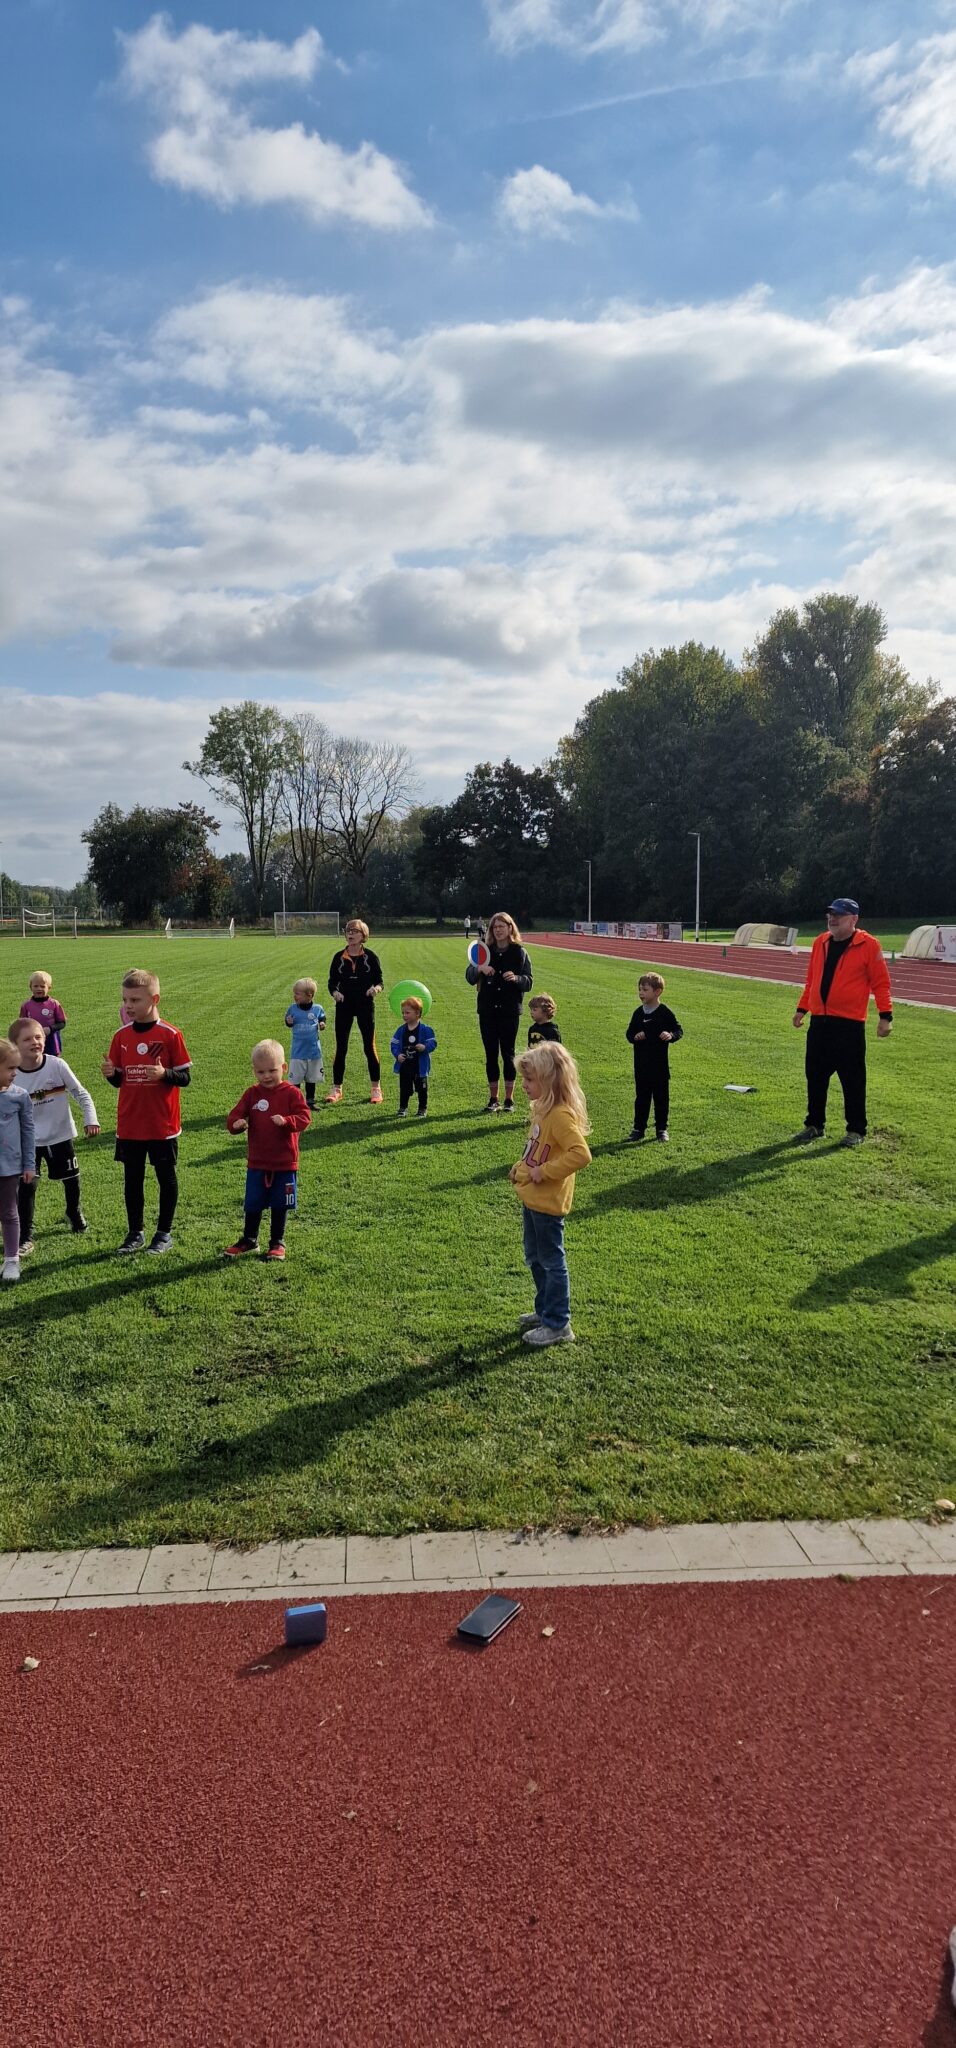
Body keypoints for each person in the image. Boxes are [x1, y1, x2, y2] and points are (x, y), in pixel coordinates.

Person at [101, 969, 191, 1256]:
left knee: (166, 1176)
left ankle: (163, 1233)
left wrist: (165, 1074)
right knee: (132, 1179)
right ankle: (135, 1232)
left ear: (154, 999)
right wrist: (111, 1073)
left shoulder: (170, 1035)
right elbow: (119, 1080)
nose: (128, 1005)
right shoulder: (121, 1036)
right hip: (130, 1123)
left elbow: (185, 1078)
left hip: (161, 1124)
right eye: (125, 999)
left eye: (135, 1000)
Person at [509, 1042, 591, 1347]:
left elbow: (580, 1154)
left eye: (530, 1080)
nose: (524, 1086)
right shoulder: (542, 1110)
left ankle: (558, 1323)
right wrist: (520, 1167)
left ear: (550, 1081)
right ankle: (545, 1311)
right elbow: (535, 1152)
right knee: (536, 1257)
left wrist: (545, 1173)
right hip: (532, 1200)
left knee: (551, 1261)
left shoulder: (560, 1116)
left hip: (548, 1203)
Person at [792, 898, 892, 1148]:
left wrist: (885, 1016)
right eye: (830, 914)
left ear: (854, 919)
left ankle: (856, 1129)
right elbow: (811, 980)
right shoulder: (820, 942)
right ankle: (814, 1125)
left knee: (853, 1080)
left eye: (839, 914)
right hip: (820, 1024)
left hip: (848, 1026)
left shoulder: (869, 945)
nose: (832, 918)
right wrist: (802, 1008)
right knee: (815, 1077)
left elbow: (881, 983)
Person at [7, 1016, 98, 1250]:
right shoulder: (11, 1075)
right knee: (27, 1186)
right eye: (27, 1039)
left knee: (71, 1180)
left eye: (38, 1037)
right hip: (27, 1142)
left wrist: (91, 1119)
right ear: (15, 1045)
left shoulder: (57, 1065)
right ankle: (25, 1235)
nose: (35, 1042)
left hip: (60, 1135)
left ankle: (73, 1212)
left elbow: (81, 1093)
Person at [224, 1040, 311, 1262]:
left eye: (272, 1070)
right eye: (261, 1072)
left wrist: (287, 1121)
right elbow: (235, 1115)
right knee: (253, 1202)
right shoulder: (252, 1094)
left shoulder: (292, 1094)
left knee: (280, 1203)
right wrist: (236, 1124)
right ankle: (249, 1239)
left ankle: (277, 1242)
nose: (266, 1076)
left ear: (283, 1068)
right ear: (254, 1071)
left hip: (284, 1161)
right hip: (258, 1161)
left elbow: (304, 1118)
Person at [465, 910, 533, 1111]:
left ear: (510, 928)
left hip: (509, 1010)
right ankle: (493, 1099)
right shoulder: (484, 950)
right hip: (487, 1009)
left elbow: (529, 981)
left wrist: (517, 978)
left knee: (509, 1054)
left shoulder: (519, 952)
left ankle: (509, 1099)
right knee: (490, 1054)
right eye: (495, 927)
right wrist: (480, 969)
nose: (498, 930)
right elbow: (469, 976)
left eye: (502, 926)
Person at [326, 920, 384, 1104]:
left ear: (363, 935)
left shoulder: (371, 957)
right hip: (344, 1006)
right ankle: (336, 1089)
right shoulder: (338, 957)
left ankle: (376, 1088)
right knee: (341, 1047)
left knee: (369, 1047)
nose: (350, 934)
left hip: (365, 1005)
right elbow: (331, 982)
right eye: (348, 930)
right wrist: (335, 993)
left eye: (355, 931)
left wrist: (375, 990)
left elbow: (380, 982)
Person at [626, 972, 683, 1143]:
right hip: (642, 1066)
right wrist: (635, 1036)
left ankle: (661, 1129)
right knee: (642, 1098)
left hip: (659, 1066)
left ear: (657, 992)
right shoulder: (638, 1013)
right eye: (639, 989)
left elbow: (678, 1030)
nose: (641, 993)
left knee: (661, 1098)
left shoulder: (664, 1013)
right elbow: (629, 1034)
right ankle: (638, 1129)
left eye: (645, 989)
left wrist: (670, 1035)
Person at [0, 1035, 35, 1285]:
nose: (15, 1073)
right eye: (10, 1068)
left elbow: (28, 1131)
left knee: (9, 1212)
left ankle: (12, 1259)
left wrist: (29, 1164)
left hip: (9, 1166)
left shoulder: (19, 1096)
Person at [391, 997, 437, 1119]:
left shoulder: (425, 1029)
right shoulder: (401, 1030)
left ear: (417, 1013)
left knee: (422, 1089)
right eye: (403, 1013)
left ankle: (422, 1108)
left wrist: (424, 1047)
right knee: (404, 1088)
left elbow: (433, 1043)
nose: (404, 1015)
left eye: (407, 1012)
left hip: (419, 1066)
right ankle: (403, 1107)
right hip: (405, 1066)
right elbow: (394, 1044)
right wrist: (397, 1055)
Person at [284, 978, 326, 1107]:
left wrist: (322, 1023)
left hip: (313, 1052)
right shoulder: (292, 1008)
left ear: (309, 995)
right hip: (297, 1052)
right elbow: (288, 1020)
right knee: (295, 1080)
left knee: (311, 1079)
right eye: (294, 993)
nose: (294, 996)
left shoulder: (317, 1009)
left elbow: (322, 1017)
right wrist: (288, 1022)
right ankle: (295, 1102)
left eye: (297, 993)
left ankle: (310, 1101)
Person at [20, 971, 67, 1056]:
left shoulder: (54, 1004)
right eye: (36, 986)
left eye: (42, 986)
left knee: (53, 1061)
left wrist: (50, 1029)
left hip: (51, 1040)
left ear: (49, 988)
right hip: (33, 1040)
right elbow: (21, 1024)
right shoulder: (26, 1005)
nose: (39, 989)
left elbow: (62, 1023)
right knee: (35, 1060)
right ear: (30, 987)